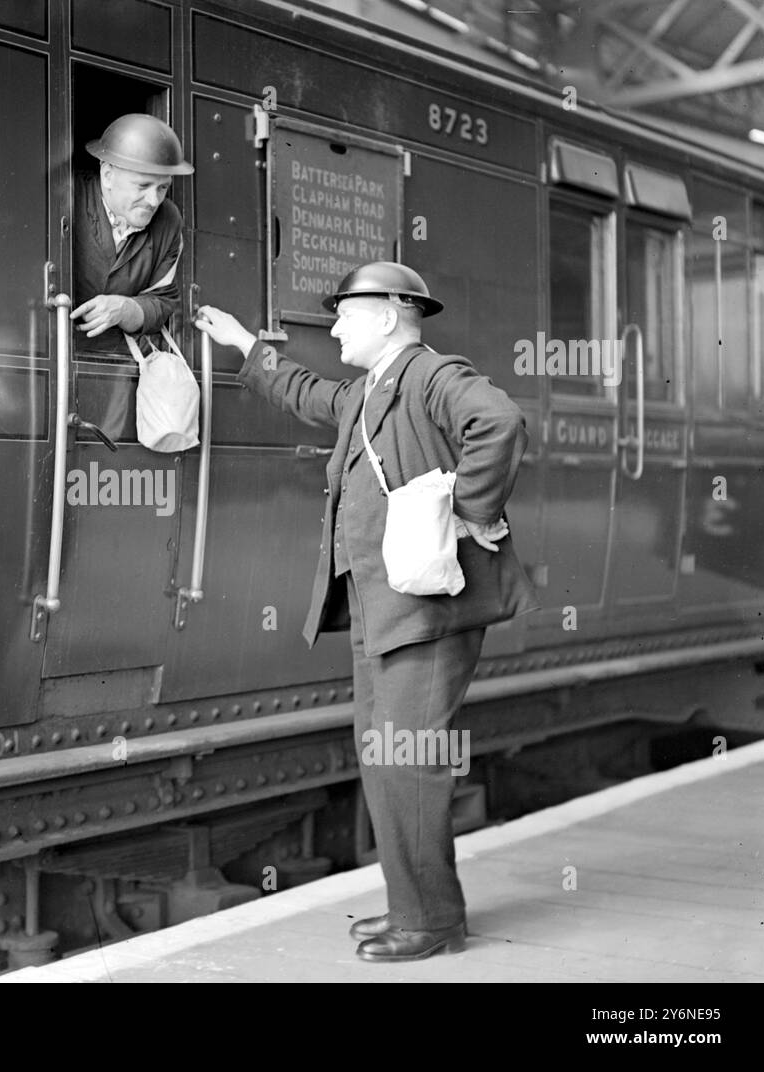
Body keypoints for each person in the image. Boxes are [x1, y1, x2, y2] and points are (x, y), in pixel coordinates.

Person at [195, 263, 539, 962]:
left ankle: (432, 923)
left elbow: (499, 421)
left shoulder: (429, 374)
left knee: (410, 762)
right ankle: (413, 910)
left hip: (427, 609)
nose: (335, 327)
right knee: (387, 761)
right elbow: (311, 393)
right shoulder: (371, 389)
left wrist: (471, 515)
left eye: (345, 315)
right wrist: (244, 347)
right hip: (382, 606)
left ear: (388, 314)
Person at [72, 114, 192, 352]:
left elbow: (163, 300)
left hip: (120, 368)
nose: (154, 200)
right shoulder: (68, 197)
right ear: (107, 175)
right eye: (143, 186)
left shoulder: (169, 220)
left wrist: (125, 309)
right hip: (55, 353)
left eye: (163, 188)